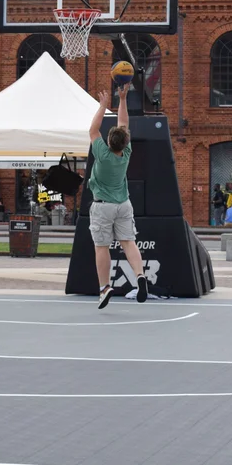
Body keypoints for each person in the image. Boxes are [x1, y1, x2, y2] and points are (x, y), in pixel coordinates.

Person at [87, 85, 149, 309]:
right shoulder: (126, 152)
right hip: (124, 204)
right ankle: (140, 276)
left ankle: (105, 287)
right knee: (128, 242)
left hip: (103, 206)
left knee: (101, 247)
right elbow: (124, 124)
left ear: (108, 142)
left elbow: (93, 130)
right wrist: (122, 99)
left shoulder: (102, 154)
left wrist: (103, 106)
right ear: (125, 142)